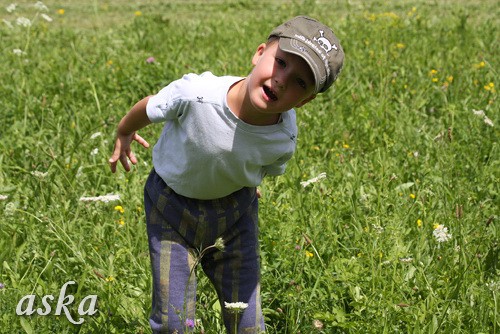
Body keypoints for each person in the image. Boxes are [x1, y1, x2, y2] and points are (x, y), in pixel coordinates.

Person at [109, 15, 344, 334]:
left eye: (301, 82)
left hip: (234, 218)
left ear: (306, 101)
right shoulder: (197, 95)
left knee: (247, 320)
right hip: (171, 212)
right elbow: (151, 107)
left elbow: (263, 166)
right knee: (173, 322)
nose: (283, 80)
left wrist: (246, 181)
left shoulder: (284, 136)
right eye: (282, 62)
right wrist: (124, 131)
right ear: (260, 53)